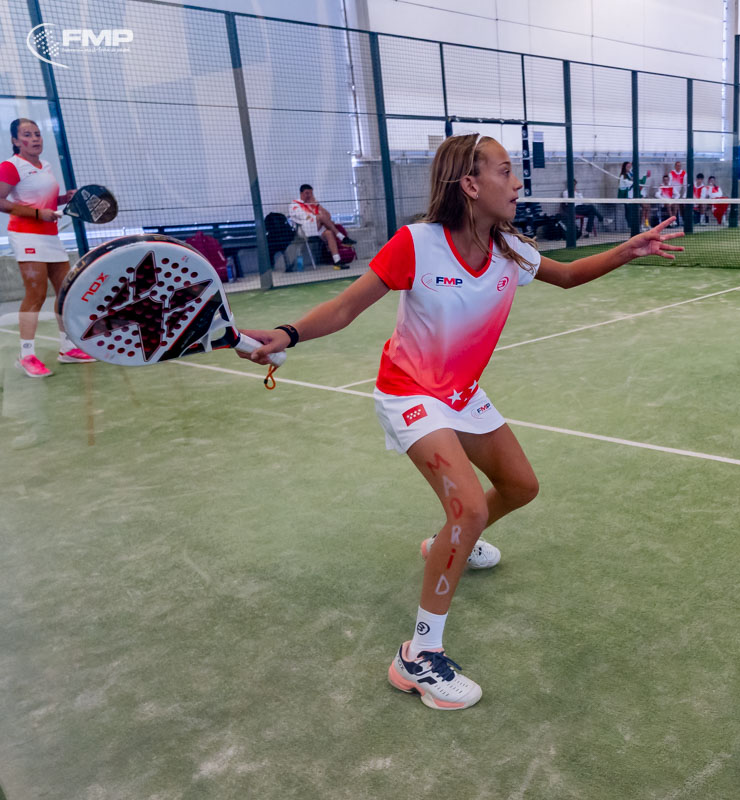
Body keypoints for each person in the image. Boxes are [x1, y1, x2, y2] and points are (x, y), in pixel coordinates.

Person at [237, 133, 683, 711]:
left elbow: (569, 275)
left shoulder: (511, 250)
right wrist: (289, 333)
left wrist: (628, 250)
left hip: (462, 394)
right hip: (409, 392)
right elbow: (346, 307)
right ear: (470, 185)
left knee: (520, 486)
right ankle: (418, 657)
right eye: (505, 171)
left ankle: (450, 543)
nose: (517, 183)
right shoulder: (417, 244)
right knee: (469, 507)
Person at [0, 117, 94, 377]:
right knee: (36, 294)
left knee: (65, 292)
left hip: (50, 236)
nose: (34, 139)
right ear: (15, 141)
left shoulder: (46, 166)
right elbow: (1, 200)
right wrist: (37, 214)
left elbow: (45, 202)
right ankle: (26, 355)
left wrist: (64, 198)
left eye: (37, 134)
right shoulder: (11, 166)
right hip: (26, 236)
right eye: (27, 135)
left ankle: (68, 348)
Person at [289, 184, 354, 268]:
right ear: (301, 193)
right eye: (307, 193)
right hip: (304, 229)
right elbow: (304, 217)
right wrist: (317, 217)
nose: (309, 196)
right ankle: (341, 237)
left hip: (317, 228)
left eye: (311, 193)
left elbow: (328, 216)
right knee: (320, 217)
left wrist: (317, 206)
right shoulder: (295, 204)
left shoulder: (313, 203)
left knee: (329, 233)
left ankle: (337, 261)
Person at [617, 161, 640, 237]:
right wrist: (633, 181)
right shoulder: (623, 176)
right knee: (628, 212)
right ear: (624, 167)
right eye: (628, 167)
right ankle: (630, 226)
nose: (629, 168)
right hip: (627, 198)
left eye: (630, 167)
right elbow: (629, 183)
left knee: (634, 212)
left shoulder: (631, 174)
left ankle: (634, 226)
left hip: (633, 197)